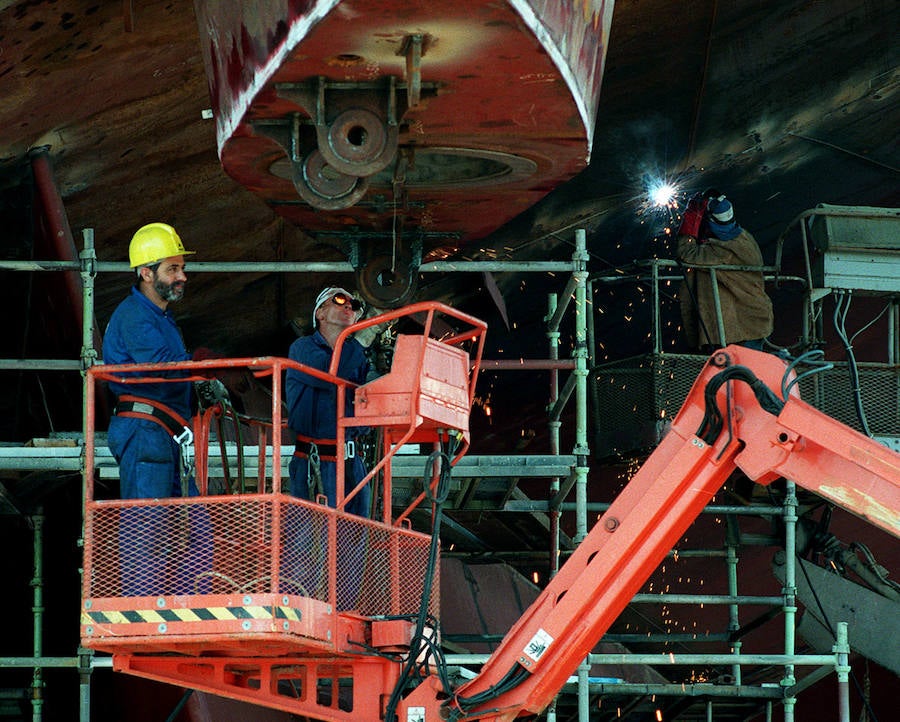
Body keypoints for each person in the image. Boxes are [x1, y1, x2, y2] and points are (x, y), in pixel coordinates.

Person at [103, 222, 212, 596]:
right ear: (146, 272)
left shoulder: (161, 319)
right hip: (146, 430)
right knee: (147, 525)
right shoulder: (135, 316)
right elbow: (163, 365)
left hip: (164, 433)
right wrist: (201, 367)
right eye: (173, 269)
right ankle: (142, 609)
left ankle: (185, 607)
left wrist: (198, 382)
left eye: (182, 268)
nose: (182, 277)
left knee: (193, 528)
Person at [284, 286, 371, 607]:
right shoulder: (303, 349)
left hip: (351, 462)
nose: (348, 306)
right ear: (319, 313)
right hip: (315, 461)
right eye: (338, 302)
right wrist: (360, 336)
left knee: (352, 538)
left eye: (352, 304)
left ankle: (344, 608)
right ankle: (298, 605)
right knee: (307, 538)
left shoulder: (356, 352)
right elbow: (330, 374)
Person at [676, 192, 774, 352]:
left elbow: (686, 254)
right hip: (752, 323)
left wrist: (690, 221)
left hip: (742, 330)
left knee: (737, 373)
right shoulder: (744, 236)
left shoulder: (723, 249)